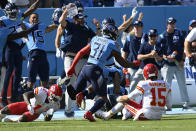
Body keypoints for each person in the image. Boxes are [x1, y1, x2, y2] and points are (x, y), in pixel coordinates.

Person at [66, 23, 138, 122]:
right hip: (95, 70)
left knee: (74, 95)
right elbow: (124, 63)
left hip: (85, 68)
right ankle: (89, 113)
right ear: (111, 33)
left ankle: (74, 89)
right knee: (103, 98)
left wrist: (72, 67)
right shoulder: (112, 44)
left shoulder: (95, 39)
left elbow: (81, 52)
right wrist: (134, 64)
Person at [95, 64, 172, 121]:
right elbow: (169, 106)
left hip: (145, 115)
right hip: (159, 116)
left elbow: (130, 97)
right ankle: (127, 114)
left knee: (124, 101)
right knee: (143, 100)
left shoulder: (144, 83)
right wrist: (158, 108)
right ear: (156, 73)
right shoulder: (166, 84)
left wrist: (118, 98)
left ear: (145, 74)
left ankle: (106, 115)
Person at [58, 3, 96, 117]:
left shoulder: (87, 29)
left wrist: (98, 26)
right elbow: (61, 21)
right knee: (71, 82)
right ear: (75, 19)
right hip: (70, 57)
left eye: (83, 17)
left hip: (83, 59)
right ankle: (69, 110)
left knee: (93, 77)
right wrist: (66, 11)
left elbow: (96, 37)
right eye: (80, 17)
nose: (83, 19)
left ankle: (91, 103)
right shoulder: (71, 25)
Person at [0, 1, 41, 106]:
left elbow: (31, 9)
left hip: (18, 49)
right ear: (7, 12)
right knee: (8, 74)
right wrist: (27, 32)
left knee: (18, 74)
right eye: (12, 13)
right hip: (8, 47)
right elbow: (10, 37)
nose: (15, 14)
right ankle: (4, 99)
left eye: (15, 12)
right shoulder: (3, 21)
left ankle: (14, 97)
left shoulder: (19, 18)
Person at [158, 17, 191, 109]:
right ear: (167, 25)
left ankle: (186, 104)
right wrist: (166, 57)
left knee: (182, 84)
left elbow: (184, 48)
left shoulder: (180, 34)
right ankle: (165, 104)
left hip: (178, 63)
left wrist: (183, 60)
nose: (172, 25)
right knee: (166, 85)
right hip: (167, 65)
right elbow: (159, 53)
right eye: (170, 23)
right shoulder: (162, 36)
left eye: (173, 23)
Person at [22, 13, 58, 89]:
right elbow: (19, 21)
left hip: (42, 54)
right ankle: (28, 98)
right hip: (33, 53)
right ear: (29, 19)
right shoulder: (27, 25)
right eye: (33, 17)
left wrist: (57, 21)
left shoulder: (41, 26)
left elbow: (53, 27)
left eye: (37, 18)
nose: (35, 19)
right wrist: (21, 17)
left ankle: (43, 99)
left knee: (44, 80)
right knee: (31, 81)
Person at [122, 20, 148, 92]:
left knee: (145, 88)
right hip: (132, 67)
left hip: (143, 67)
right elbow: (125, 51)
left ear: (142, 27)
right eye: (135, 26)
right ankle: (131, 102)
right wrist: (124, 65)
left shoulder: (146, 37)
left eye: (138, 27)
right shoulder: (129, 37)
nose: (136, 28)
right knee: (132, 87)